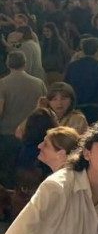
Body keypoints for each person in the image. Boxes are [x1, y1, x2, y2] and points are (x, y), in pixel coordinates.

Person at [0, 51, 47, 188]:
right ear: (25, 64)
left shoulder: (3, 84)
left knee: (8, 170)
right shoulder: (38, 83)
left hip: (8, 133)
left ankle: (10, 195)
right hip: (33, 133)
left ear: (8, 64)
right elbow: (44, 107)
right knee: (28, 172)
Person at [64, 37, 98, 123]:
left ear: (82, 50)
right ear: (97, 50)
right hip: (94, 108)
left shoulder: (72, 66)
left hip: (75, 107)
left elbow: (66, 86)